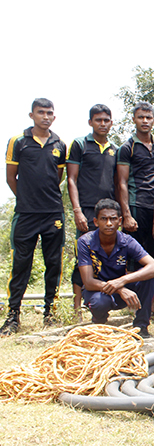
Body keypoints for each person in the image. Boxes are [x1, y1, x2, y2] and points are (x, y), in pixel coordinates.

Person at [1, 98, 67, 335]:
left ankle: (51, 313)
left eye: (50, 113)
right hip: (26, 214)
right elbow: (11, 177)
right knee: (20, 264)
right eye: (41, 112)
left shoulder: (60, 143)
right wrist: (26, 199)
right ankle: (12, 316)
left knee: (53, 264)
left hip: (52, 213)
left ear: (54, 117)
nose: (45, 117)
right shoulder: (17, 142)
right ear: (32, 115)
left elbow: (57, 176)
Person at [77, 199, 154, 338]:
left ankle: (141, 327)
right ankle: (99, 322)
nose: (109, 223)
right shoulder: (85, 242)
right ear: (96, 221)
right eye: (104, 219)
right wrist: (119, 288)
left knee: (150, 276)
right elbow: (88, 282)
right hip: (98, 292)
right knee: (99, 303)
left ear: (120, 221)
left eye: (113, 219)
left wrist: (122, 280)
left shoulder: (126, 241)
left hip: (123, 289)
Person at [116, 102, 154, 325]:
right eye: (140, 117)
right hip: (136, 208)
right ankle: (143, 308)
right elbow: (122, 182)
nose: (144, 121)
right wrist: (126, 214)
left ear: (153, 121)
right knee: (138, 260)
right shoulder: (127, 148)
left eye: (148, 117)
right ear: (134, 119)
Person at [66, 104, 118, 318]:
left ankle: (99, 302)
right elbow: (71, 179)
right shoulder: (80, 144)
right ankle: (77, 308)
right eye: (98, 120)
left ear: (111, 123)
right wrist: (77, 211)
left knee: (104, 258)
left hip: (109, 214)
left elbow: (116, 181)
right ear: (90, 122)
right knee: (83, 258)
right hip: (87, 210)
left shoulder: (115, 148)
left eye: (106, 120)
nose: (103, 124)